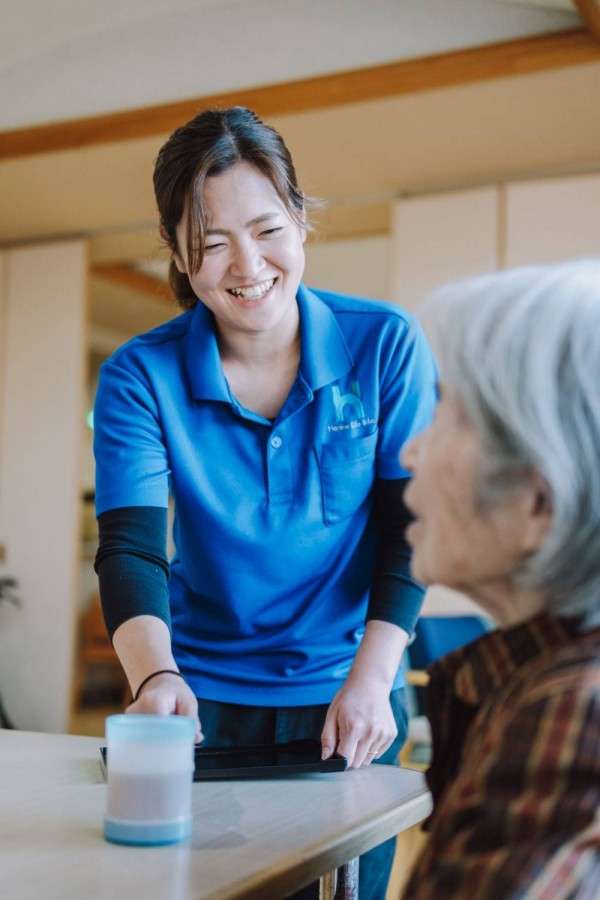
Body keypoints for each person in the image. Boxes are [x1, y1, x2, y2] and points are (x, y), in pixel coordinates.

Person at [93, 106, 437, 899]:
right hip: (202, 691)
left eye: (267, 228)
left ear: (302, 220)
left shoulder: (383, 343)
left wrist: (372, 675)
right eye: (211, 243)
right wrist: (154, 678)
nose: (245, 265)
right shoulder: (139, 377)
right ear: (178, 255)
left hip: (352, 685)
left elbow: (411, 525)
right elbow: (133, 546)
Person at [400, 261, 600, 899]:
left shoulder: (574, 716)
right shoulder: (531, 680)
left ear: (539, 503)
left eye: (446, 414)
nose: (410, 453)